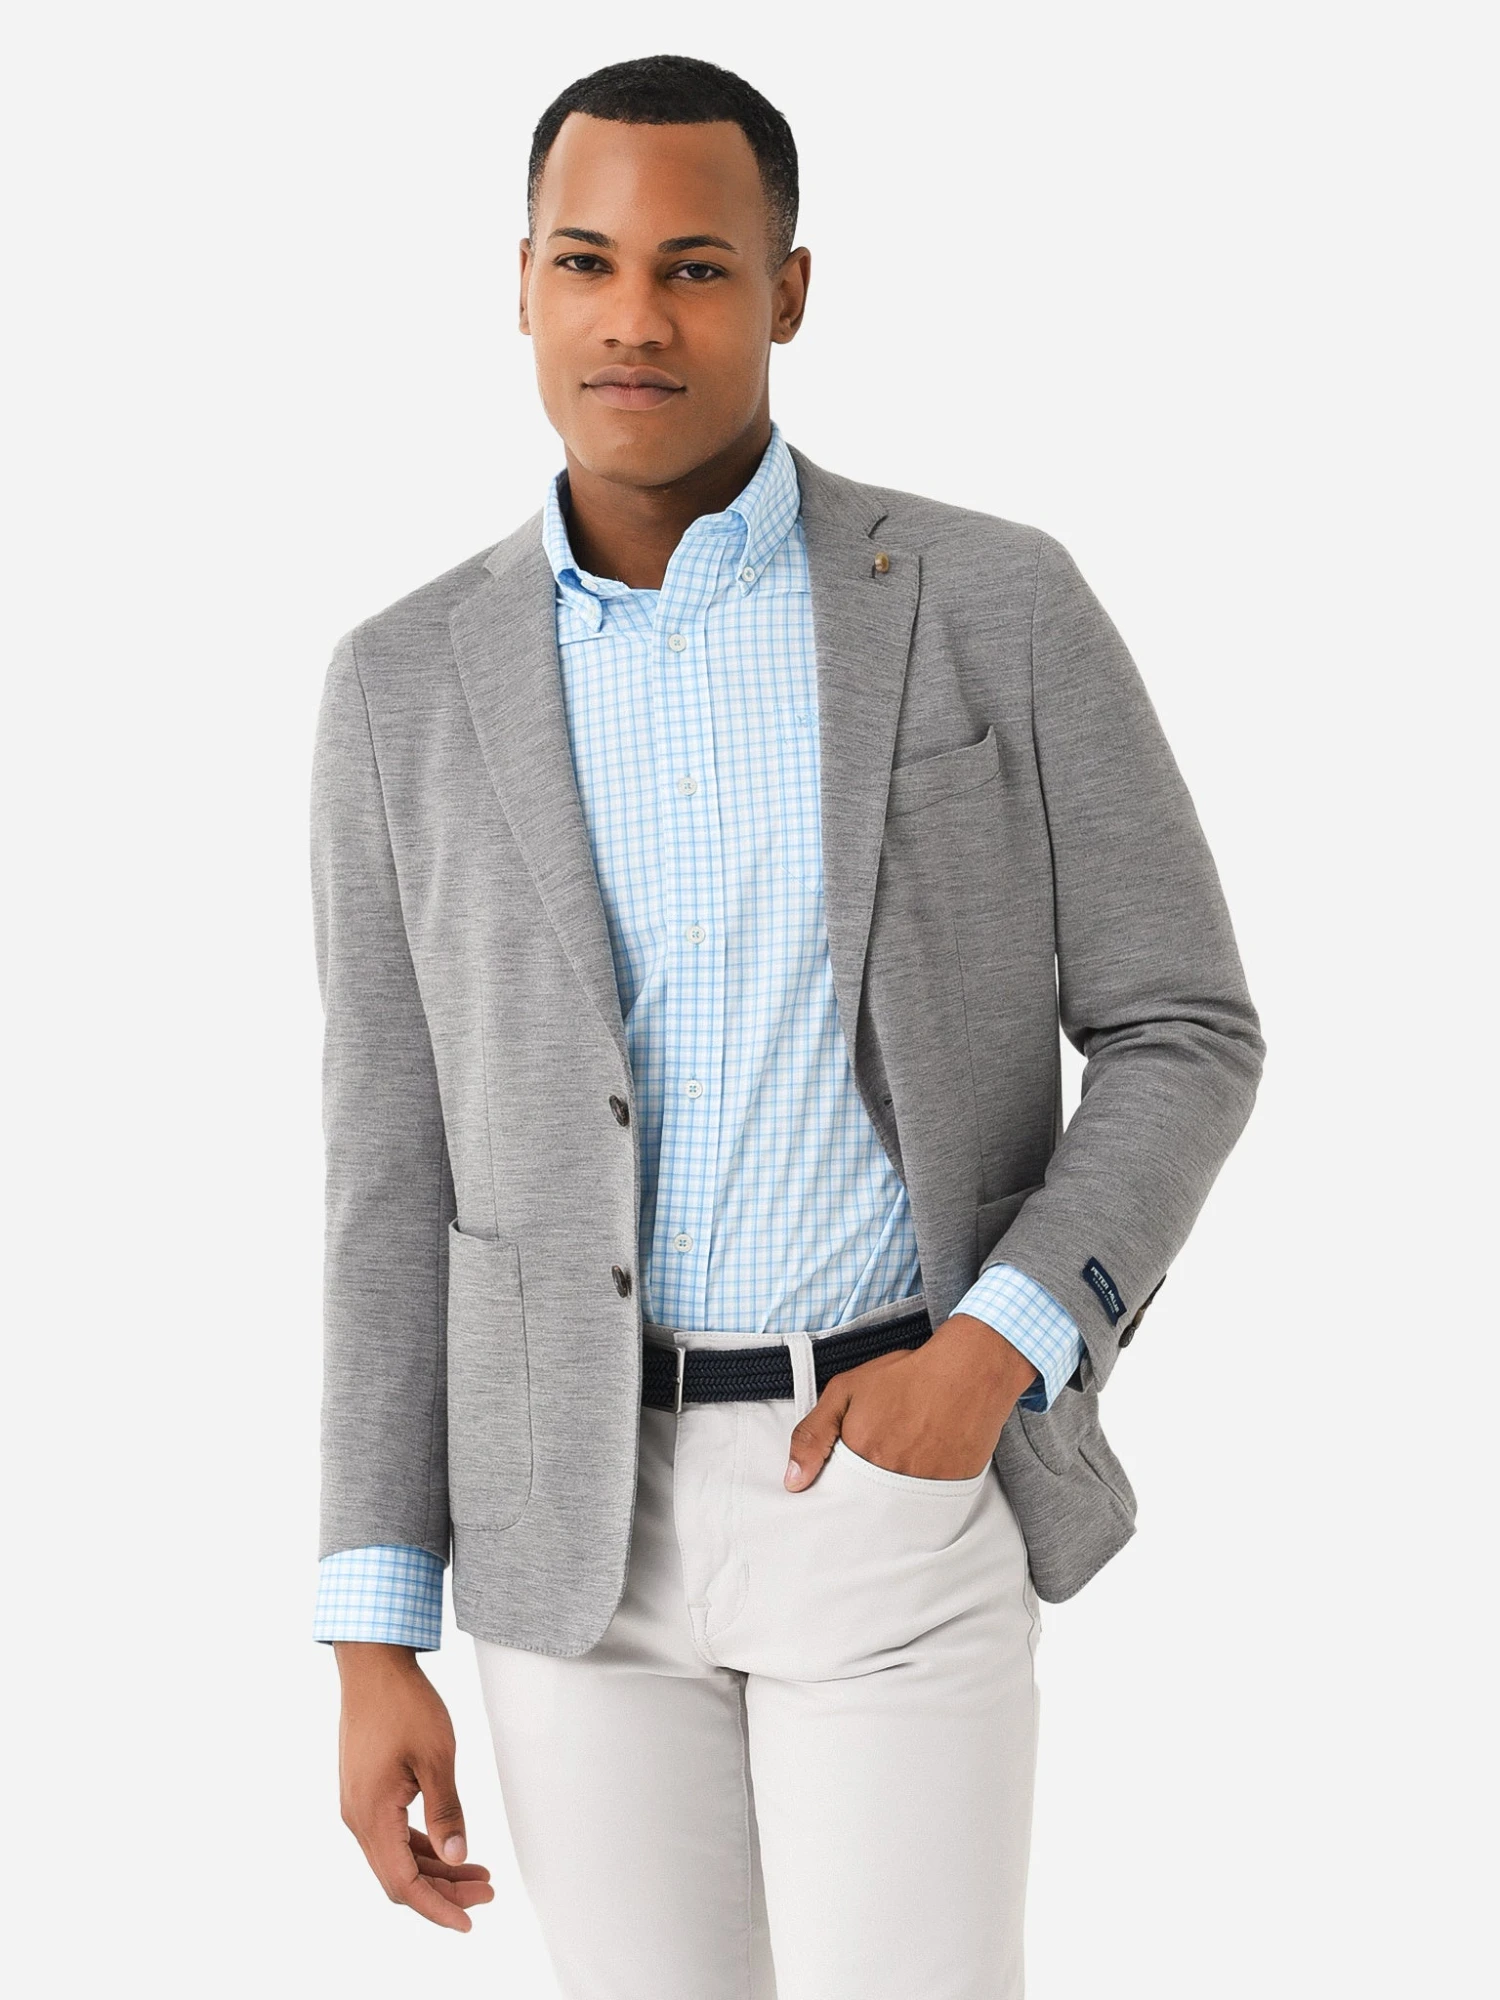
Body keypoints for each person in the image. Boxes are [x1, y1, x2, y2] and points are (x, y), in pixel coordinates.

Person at [309, 52, 1264, 2000]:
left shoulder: (992, 604)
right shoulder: (403, 685)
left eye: (696, 267)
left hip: (888, 1472)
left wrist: (995, 1352)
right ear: (520, 287)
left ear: (789, 292)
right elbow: (388, 1172)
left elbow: (1183, 1023)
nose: (635, 319)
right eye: (586, 262)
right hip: (568, 1539)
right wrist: (371, 1625)